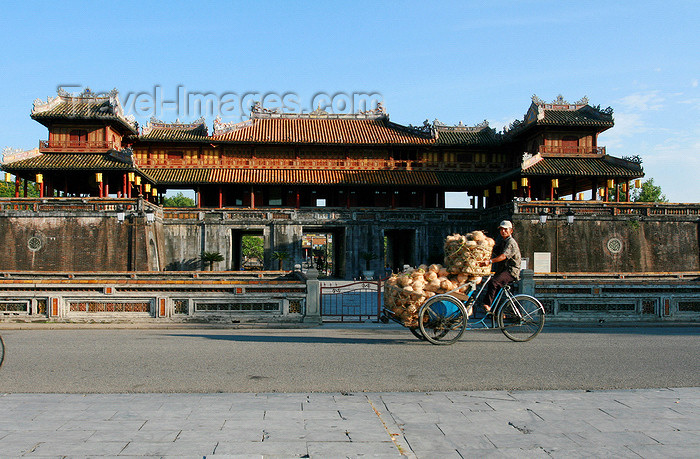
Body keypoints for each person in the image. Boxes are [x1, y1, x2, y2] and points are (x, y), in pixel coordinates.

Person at [481, 220, 521, 313]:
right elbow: (494, 250)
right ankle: (498, 313)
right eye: (501, 229)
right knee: (496, 290)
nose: (503, 231)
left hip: (511, 271)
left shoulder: (511, 242)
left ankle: (488, 305)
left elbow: (503, 256)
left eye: (505, 229)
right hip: (503, 270)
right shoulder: (503, 241)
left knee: (494, 282)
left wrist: (490, 261)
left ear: (511, 231)